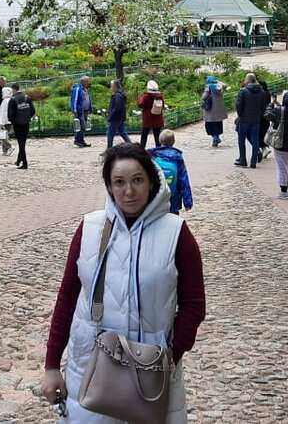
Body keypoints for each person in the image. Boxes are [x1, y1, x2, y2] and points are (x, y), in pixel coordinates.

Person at [41, 144, 206, 421]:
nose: (129, 191)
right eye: (119, 182)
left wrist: (169, 354)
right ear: (109, 185)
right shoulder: (90, 228)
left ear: (151, 181)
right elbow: (67, 297)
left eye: (137, 180)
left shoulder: (176, 233)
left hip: (153, 373)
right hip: (90, 369)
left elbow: (194, 304)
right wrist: (51, 365)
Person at [149, 131, 193, 215]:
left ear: (160, 141)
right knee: (173, 217)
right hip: (174, 195)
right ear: (173, 142)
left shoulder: (154, 156)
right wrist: (188, 202)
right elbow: (184, 180)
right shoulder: (177, 158)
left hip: (157, 195)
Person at [234, 73, 268, 169]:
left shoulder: (243, 91)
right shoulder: (261, 92)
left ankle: (243, 159)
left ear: (247, 80)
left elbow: (239, 105)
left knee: (241, 139)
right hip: (256, 119)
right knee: (255, 139)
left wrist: (240, 115)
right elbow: (263, 107)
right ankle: (253, 162)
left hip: (244, 119)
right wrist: (258, 115)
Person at [8, 83, 36, 170]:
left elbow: (10, 114)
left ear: (13, 89)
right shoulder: (27, 98)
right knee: (23, 142)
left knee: (21, 144)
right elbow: (33, 111)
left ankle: (25, 163)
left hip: (17, 124)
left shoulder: (13, 100)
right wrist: (27, 118)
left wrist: (14, 122)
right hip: (26, 123)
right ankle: (19, 160)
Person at [137, 80, 167, 149]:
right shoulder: (160, 96)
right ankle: (159, 149)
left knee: (144, 135)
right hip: (157, 118)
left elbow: (140, 104)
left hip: (148, 119)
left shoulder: (146, 96)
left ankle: (142, 149)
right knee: (157, 136)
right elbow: (162, 106)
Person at [105, 79, 131, 149]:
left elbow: (117, 107)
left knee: (110, 134)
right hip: (120, 117)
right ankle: (130, 145)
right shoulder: (120, 94)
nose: (110, 88)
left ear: (115, 86)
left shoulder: (117, 96)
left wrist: (110, 116)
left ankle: (109, 149)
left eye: (111, 86)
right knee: (122, 132)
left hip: (115, 118)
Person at [202, 75, 226, 147]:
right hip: (218, 111)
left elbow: (204, 97)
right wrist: (217, 81)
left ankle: (215, 138)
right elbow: (224, 84)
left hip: (210, 110)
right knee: (217, 125)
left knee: (209, 125)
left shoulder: (208, 87)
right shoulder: (220, 86)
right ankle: (216, 137)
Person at [69, 75, 93, 149]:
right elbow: (74, 99)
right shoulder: (77, 88)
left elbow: (88, 99)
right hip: (79, 111)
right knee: (81, 126)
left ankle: (81, 141)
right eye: (87, 81)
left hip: (85, 110)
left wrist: (90, 108)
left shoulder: (85, 89)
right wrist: (74, 110)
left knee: (84, 126)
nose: (88, 83)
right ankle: (77, 140)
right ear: (83, 81)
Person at [0, 86, 14, 156]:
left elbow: (3, 113)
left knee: (2, 136)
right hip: (10, 120)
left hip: (5, 121)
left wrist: (1, 123)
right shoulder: (12, 100)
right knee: (5, 135)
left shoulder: (5, 101)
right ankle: (5, 150)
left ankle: (9, 146)